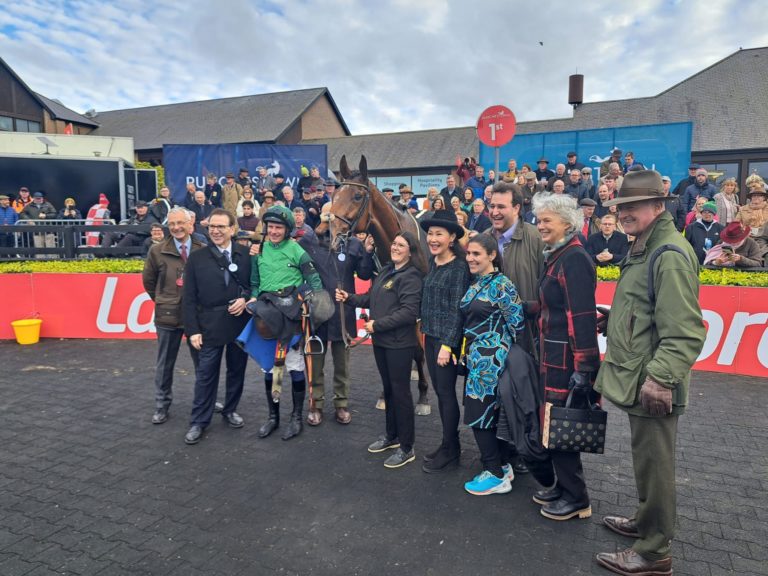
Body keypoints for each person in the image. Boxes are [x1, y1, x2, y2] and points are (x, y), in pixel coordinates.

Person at [594, 170, 706, 576]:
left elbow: (685, 331)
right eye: (620, 207)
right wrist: (616, 321)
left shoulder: (668, 254)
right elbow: (650, 310)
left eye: (633, 206)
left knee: (657, 466)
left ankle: (655, 552)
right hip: (639, 375)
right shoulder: (646, 245)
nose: (624, 213)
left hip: (653, 382)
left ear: (659, 206)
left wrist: (660, 379)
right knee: (646, 461)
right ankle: (646, 522)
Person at [525, 193, 600, 520]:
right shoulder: (556, 255)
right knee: (551, 424)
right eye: (538, 220)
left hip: (567, 360)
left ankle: (577, 497)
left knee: (561, 425)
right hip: (551, 356)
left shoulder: (574, 258)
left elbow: (581, 316)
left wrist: (584, 370)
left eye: (546, 220)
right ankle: (562, 485)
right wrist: (524, 308)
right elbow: (551, 305)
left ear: (568, 223)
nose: (540, 225)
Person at [336, 231, 423, 469]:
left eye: (401, 245)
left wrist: (377, 325)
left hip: (399, 343)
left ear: (410, 251)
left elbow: (408, 313)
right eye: (394, 243)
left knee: (401, 393)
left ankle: (407, 446)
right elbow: (372, 298)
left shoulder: (412, 276)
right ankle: (391, 436)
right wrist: (350, 298)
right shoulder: (386, 270)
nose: (395, 247)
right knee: (389, 389)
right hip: (382, 342)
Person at [249, 205, 323, 441]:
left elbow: (314, 279)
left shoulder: (297, 250)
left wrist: (312, 301)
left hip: (291, 315)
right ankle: (273, 417)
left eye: (278, 227)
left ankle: (296, 418)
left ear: (287, 229)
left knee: (293, 365)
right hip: (265, 316)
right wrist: (252, 295)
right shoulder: (259, 250)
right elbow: (254, 281)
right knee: (270, 367)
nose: (273, 231)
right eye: (270, 226)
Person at [182, 208, 252, 445]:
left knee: (236, 371)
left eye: (221, 226)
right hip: (208, 325)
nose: (216, 231)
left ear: (232, 229)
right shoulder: (197, 258)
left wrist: (245, 299)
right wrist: (192, 331)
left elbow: (254, 287)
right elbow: (188, 298)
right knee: (205, 375)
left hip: (238, 324)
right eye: (212, 226)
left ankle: (230, 410)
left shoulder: (245, 255)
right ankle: (198, 421)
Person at [460, 233, 524, 495]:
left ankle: (495, 475)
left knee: (480, 416)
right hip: (477, 359)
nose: (471, 258)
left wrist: (502, 355)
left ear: (491, 256)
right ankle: (502, 466)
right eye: (468, 253)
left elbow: (517, 324)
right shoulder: (478, 283)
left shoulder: (502, 285)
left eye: (476, 254)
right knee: (484, 414)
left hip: (492, 363)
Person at [308, 220, 375, 426]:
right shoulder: (310, 241)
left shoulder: (353, 243)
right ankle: (315, 403)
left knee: (342, 363)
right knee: (316, 361)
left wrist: (368, 252)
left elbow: (364, 273)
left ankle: (341, 403)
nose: (332, 222)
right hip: (318, 309)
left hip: (342, 311)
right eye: (327, 217)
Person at [418, 210, 470, 473]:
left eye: (439, 234)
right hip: (430, 337)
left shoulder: (459, 268)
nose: (433, 238)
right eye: (430, 233)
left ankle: (451, 450)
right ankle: (449, 443)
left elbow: (457, 310)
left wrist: (448, 346)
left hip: (445, 343)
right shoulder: (433, 261)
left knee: (447, 395)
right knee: (440, 393)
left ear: (452, 238)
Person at [142, 207, 205, 425]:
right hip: (167, 316)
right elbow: (148, 283)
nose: (176, 228)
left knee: (203, 364)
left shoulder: (202, 248)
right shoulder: (157, 251)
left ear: (191, 225)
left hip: (197, 317)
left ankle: (206, 399)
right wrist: (164, 300)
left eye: (180, 223)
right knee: (164, 364)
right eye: (172, 224)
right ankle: (161, 405)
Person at [19, 191, 57, 258]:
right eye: (37, 198)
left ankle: (53, 260)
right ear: (33, 198)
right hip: (36, 231)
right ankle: (40, 262)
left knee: (51, 246)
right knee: (39, 248)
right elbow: (22, 213)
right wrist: (28, 220)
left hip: (48, 230)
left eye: (40, 198)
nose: (38, 200)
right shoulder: (29, 206)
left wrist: (46, 216)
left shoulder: (48, 204)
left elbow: (54, 214)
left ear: (42, 198)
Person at [735, 186, 768, 255]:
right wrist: (743, 229)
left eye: (759, 196)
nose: (756, 197)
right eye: (754, 196)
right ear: (751, 198)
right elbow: (736, 224)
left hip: (764, 238)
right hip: (747, 236)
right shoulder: (743, 209)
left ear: (764, 198)